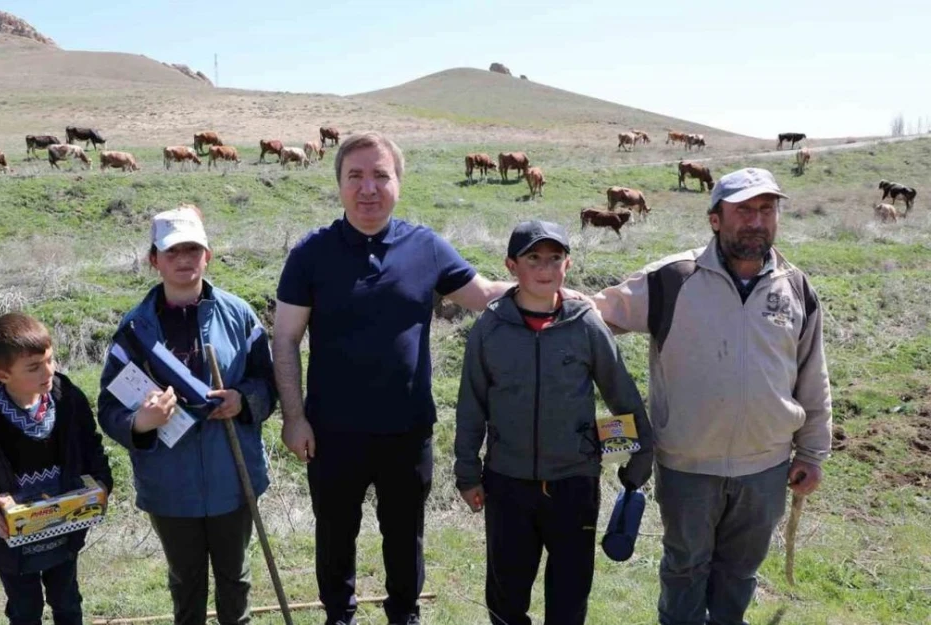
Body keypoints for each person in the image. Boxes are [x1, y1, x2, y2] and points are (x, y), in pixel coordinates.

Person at [273, 132, 580, 625]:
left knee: (404, 536)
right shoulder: (312, 254)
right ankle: (338, 617)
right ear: (339, 185)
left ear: (398, 183)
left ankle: (404, 617)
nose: (368, 188)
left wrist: (561, 292)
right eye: (356, 176)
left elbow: (483, 294)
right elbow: (285, 338)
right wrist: (294, 417)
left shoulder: (425, 247)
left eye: (380, 175)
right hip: (332, 431)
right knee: (334, 534)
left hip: (407, 429)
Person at [592, 168, 833, 625]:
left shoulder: (796, 288)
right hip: (688, 465)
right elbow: (593, 313)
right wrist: (525, 294)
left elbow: (812, 373)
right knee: (684, 568)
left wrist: (813, 453)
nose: (756, 221)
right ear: (715, 219)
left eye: (766, 209)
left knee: (740, 572)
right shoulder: (673, 279)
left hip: (766, 466)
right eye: (743, 210)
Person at [454, 220, 654, 625]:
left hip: (574, 485)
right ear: (512, 265)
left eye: (555, 258)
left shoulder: (585, 323)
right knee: (506, 599)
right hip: (507, 483)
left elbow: (621, 394)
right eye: (533, 258)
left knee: (568, 597)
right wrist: (468, 472)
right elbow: (470, 406)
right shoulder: (490, 328)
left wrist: (639, 455)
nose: (545, 268)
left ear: (568, 263)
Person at [97, 206, 276, 625]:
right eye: (172, 250)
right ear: (153, 259)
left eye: (193, 249)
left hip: (233, 475)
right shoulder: (134, 331)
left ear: (207, 256)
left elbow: (268, 385)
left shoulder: (240, 317)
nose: (184, 259)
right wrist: (140, 422)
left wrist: (242, 399)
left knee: (236, 578)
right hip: (169, 483)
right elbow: (109, 408)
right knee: (186, 581)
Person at [0, 312, 113, 625]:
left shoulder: (67, 398)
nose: (48, 371)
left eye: (49, 359)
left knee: (68, 602)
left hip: (64, 528)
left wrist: (101, 485)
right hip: (12, 541)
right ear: (1, 374)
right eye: (33, 367)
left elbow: (91, 448)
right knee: (25, 609)